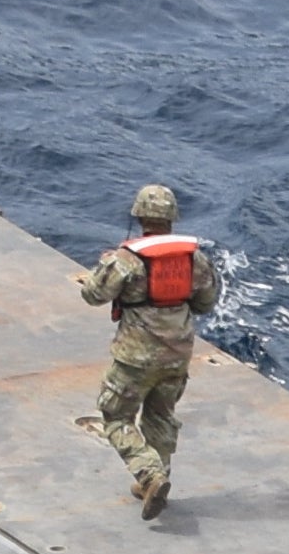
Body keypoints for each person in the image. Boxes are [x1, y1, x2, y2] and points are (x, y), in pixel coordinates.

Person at [78, 184, 216, 519]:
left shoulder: (126, 261)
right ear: (172, 218)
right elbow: (205, 302)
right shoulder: (194, 260)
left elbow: (93, 295)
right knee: (161, 416)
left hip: (135, 357)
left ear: (139, 216)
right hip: (177, 354)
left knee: (115, 416)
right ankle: (155, 483)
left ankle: (149, 474)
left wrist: (104, 266)